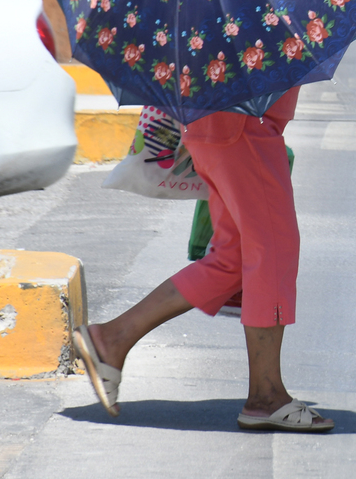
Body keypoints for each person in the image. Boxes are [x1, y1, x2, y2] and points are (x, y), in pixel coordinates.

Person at [71, 87, 333, 432]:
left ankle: (113, 337)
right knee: (272, 249)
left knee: (234, 259)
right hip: (242, 125)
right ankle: (266, 396)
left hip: (227, 124)